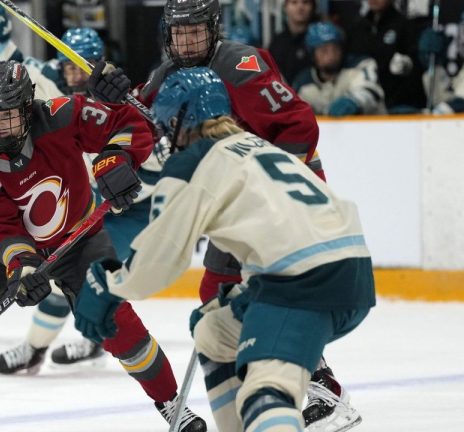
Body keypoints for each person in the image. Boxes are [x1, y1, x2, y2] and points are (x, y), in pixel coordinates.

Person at [87, 1, 362, 430]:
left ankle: (314, 387)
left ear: (214, 29)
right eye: (180, 33)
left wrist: (262, 184)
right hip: (237, 197)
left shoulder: (240, 64)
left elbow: (300, 126)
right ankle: (271, 386)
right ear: (166, 34)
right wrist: (110, 99)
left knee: (259, 291)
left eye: (197, 31)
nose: (188, 41)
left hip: (275, 199)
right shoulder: (165, 77)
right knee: (218, 294)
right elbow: (147, 123)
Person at [0, 60, 207, 432]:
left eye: (8, 114)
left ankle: (172, 403)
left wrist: (116, 158)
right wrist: (22, 264)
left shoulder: (63, 115)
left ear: (28, 107)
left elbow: (128, 122)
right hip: (2, 248)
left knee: (117, 323)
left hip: (79, 238)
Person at [0, 0, 166, 372]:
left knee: (79, 276)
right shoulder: (49, 83)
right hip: (79, 204)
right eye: (69, 65)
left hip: (126, 209)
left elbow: (151, 157)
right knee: (54, 273)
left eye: (82, 67)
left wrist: (146, 151)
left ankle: (82, 341)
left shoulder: (115, 95)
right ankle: (39, 347)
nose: (74, 75)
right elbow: (3, 56)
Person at [344, 0, 426, 113]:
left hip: (398, 104)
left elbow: (419, 66)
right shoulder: (357, 28)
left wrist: (407, 65)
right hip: (365, 103)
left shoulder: (405, 26)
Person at [293, 22, 385, 116]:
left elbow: (372, 90)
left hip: (373, 128)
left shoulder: (361, 65)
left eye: (335, 48)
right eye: (324, 50)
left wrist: (353, 101)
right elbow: (294, 112)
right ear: (313, 54)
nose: (331, 54)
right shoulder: (303, 83)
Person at [268, 0, 319, 84]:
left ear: (313, 7)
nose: (300, 7)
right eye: (294, 2)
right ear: (285, 7)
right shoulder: (277, 42)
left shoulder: (321, 40)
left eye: (305, 2)